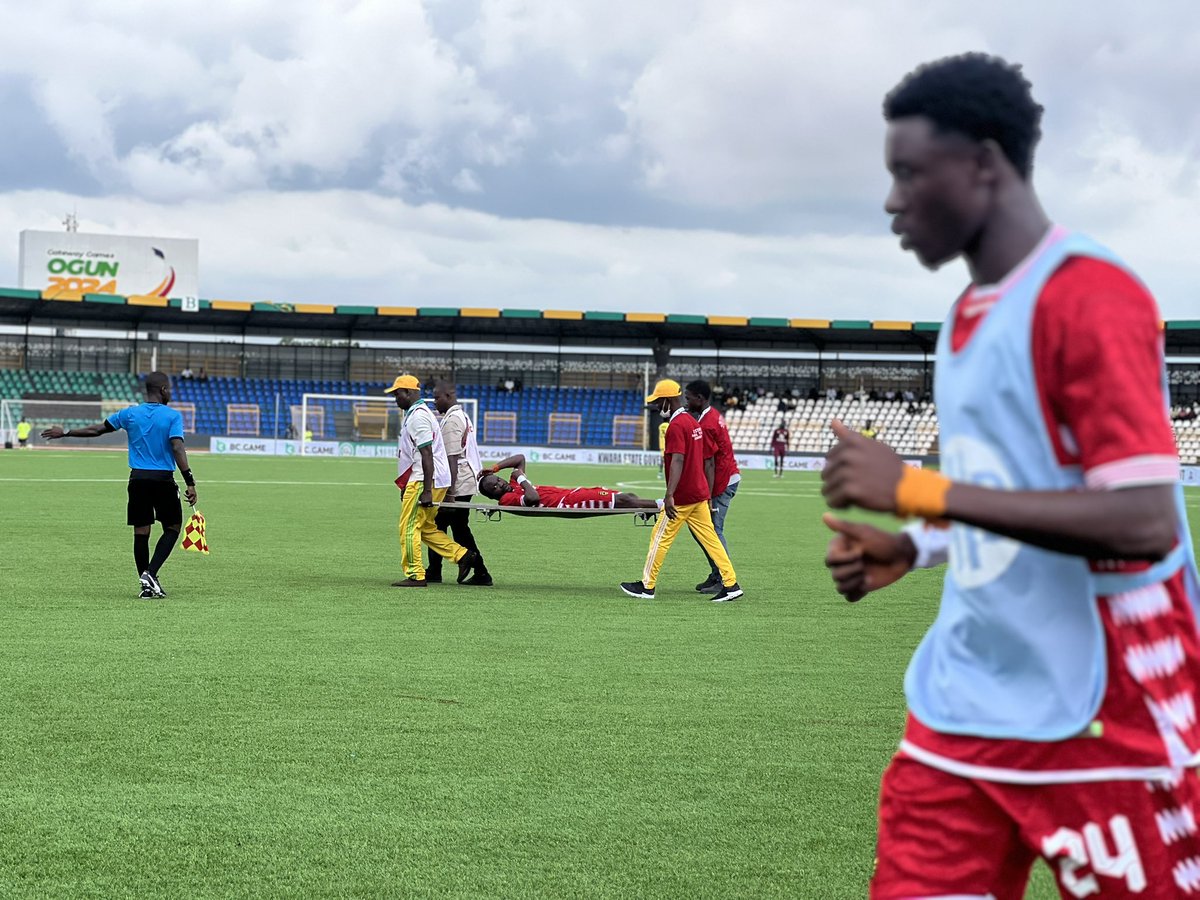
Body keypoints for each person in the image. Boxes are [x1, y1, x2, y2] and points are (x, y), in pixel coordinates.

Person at [821, 53, 1200, 897]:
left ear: (982, 164)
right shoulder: (966, 316)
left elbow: (1143, 522)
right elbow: (1012, 486)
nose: (891, 201)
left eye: (908, 174)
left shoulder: (1090, 296)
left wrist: (916, 489)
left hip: (1107, 714)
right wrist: (913, 547)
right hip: (962, 706)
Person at [41, 372, 197, 599]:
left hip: (137, 480)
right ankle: (151, 574)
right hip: (162, 480)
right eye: (169, 389)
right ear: (163, 389)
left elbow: (97, 430)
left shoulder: (129, 413)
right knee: (172, 527)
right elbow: (177, 448)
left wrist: (66, 432)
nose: (170, 393)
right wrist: (190, 481)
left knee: (141, 531)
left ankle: (147, 585)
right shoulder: (172, 416)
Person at [620, 379, 742, 602]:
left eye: (658, 402)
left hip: (684, 497)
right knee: (711, 540)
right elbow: (704, 460)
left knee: (659, 537)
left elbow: (677, 460)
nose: (657, 407)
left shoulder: (676, 426)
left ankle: (647, 587)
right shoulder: (692, 423)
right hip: (700, 493)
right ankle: (731, 583)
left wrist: (669, 495)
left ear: (668, 400)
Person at [386, 374, 479, 588]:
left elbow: (426, 454)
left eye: (397, 394)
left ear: (408, 393)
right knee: (426, 527)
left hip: (425, 480)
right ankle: (462, 555)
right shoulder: (418, 414)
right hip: (430, 479)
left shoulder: (418, 417)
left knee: (409, 527)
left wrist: (425, 490)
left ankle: (416, 575)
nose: (395, 399)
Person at [427, 381, 492, 586]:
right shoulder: (461, 416)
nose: (435, 401)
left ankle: (479, 571)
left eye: (437, 397)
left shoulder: (453, 420)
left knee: (445, 526)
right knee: (448, 525)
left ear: (449, 395)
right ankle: (437, 570)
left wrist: (450, 493)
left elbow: (452, 459)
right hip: (464, 479)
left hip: (458, 482)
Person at [685, 381, 741, 595]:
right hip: (725, 477)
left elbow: (709, 463)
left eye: (689, 398)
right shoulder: (712, 415)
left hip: (721, 482)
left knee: (713, 531)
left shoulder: (707, 424)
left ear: (700, 398)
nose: (686, 402)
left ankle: (725, 579)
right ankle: (717, 574)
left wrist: (706, 496)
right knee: (702, 530)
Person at [479, 454, 660, 511]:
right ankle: (664, 506)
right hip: (568, 502)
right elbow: (532, 498)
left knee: (628, 498)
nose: (499, 484)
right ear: (492, 495)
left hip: (573, 493)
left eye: (497, 480)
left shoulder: (514, 483)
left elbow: (520, 458)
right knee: (625, 500)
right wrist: (521, 478)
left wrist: (495, 467)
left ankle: (657, 507)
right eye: (493, 487)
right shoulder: (507, 499)